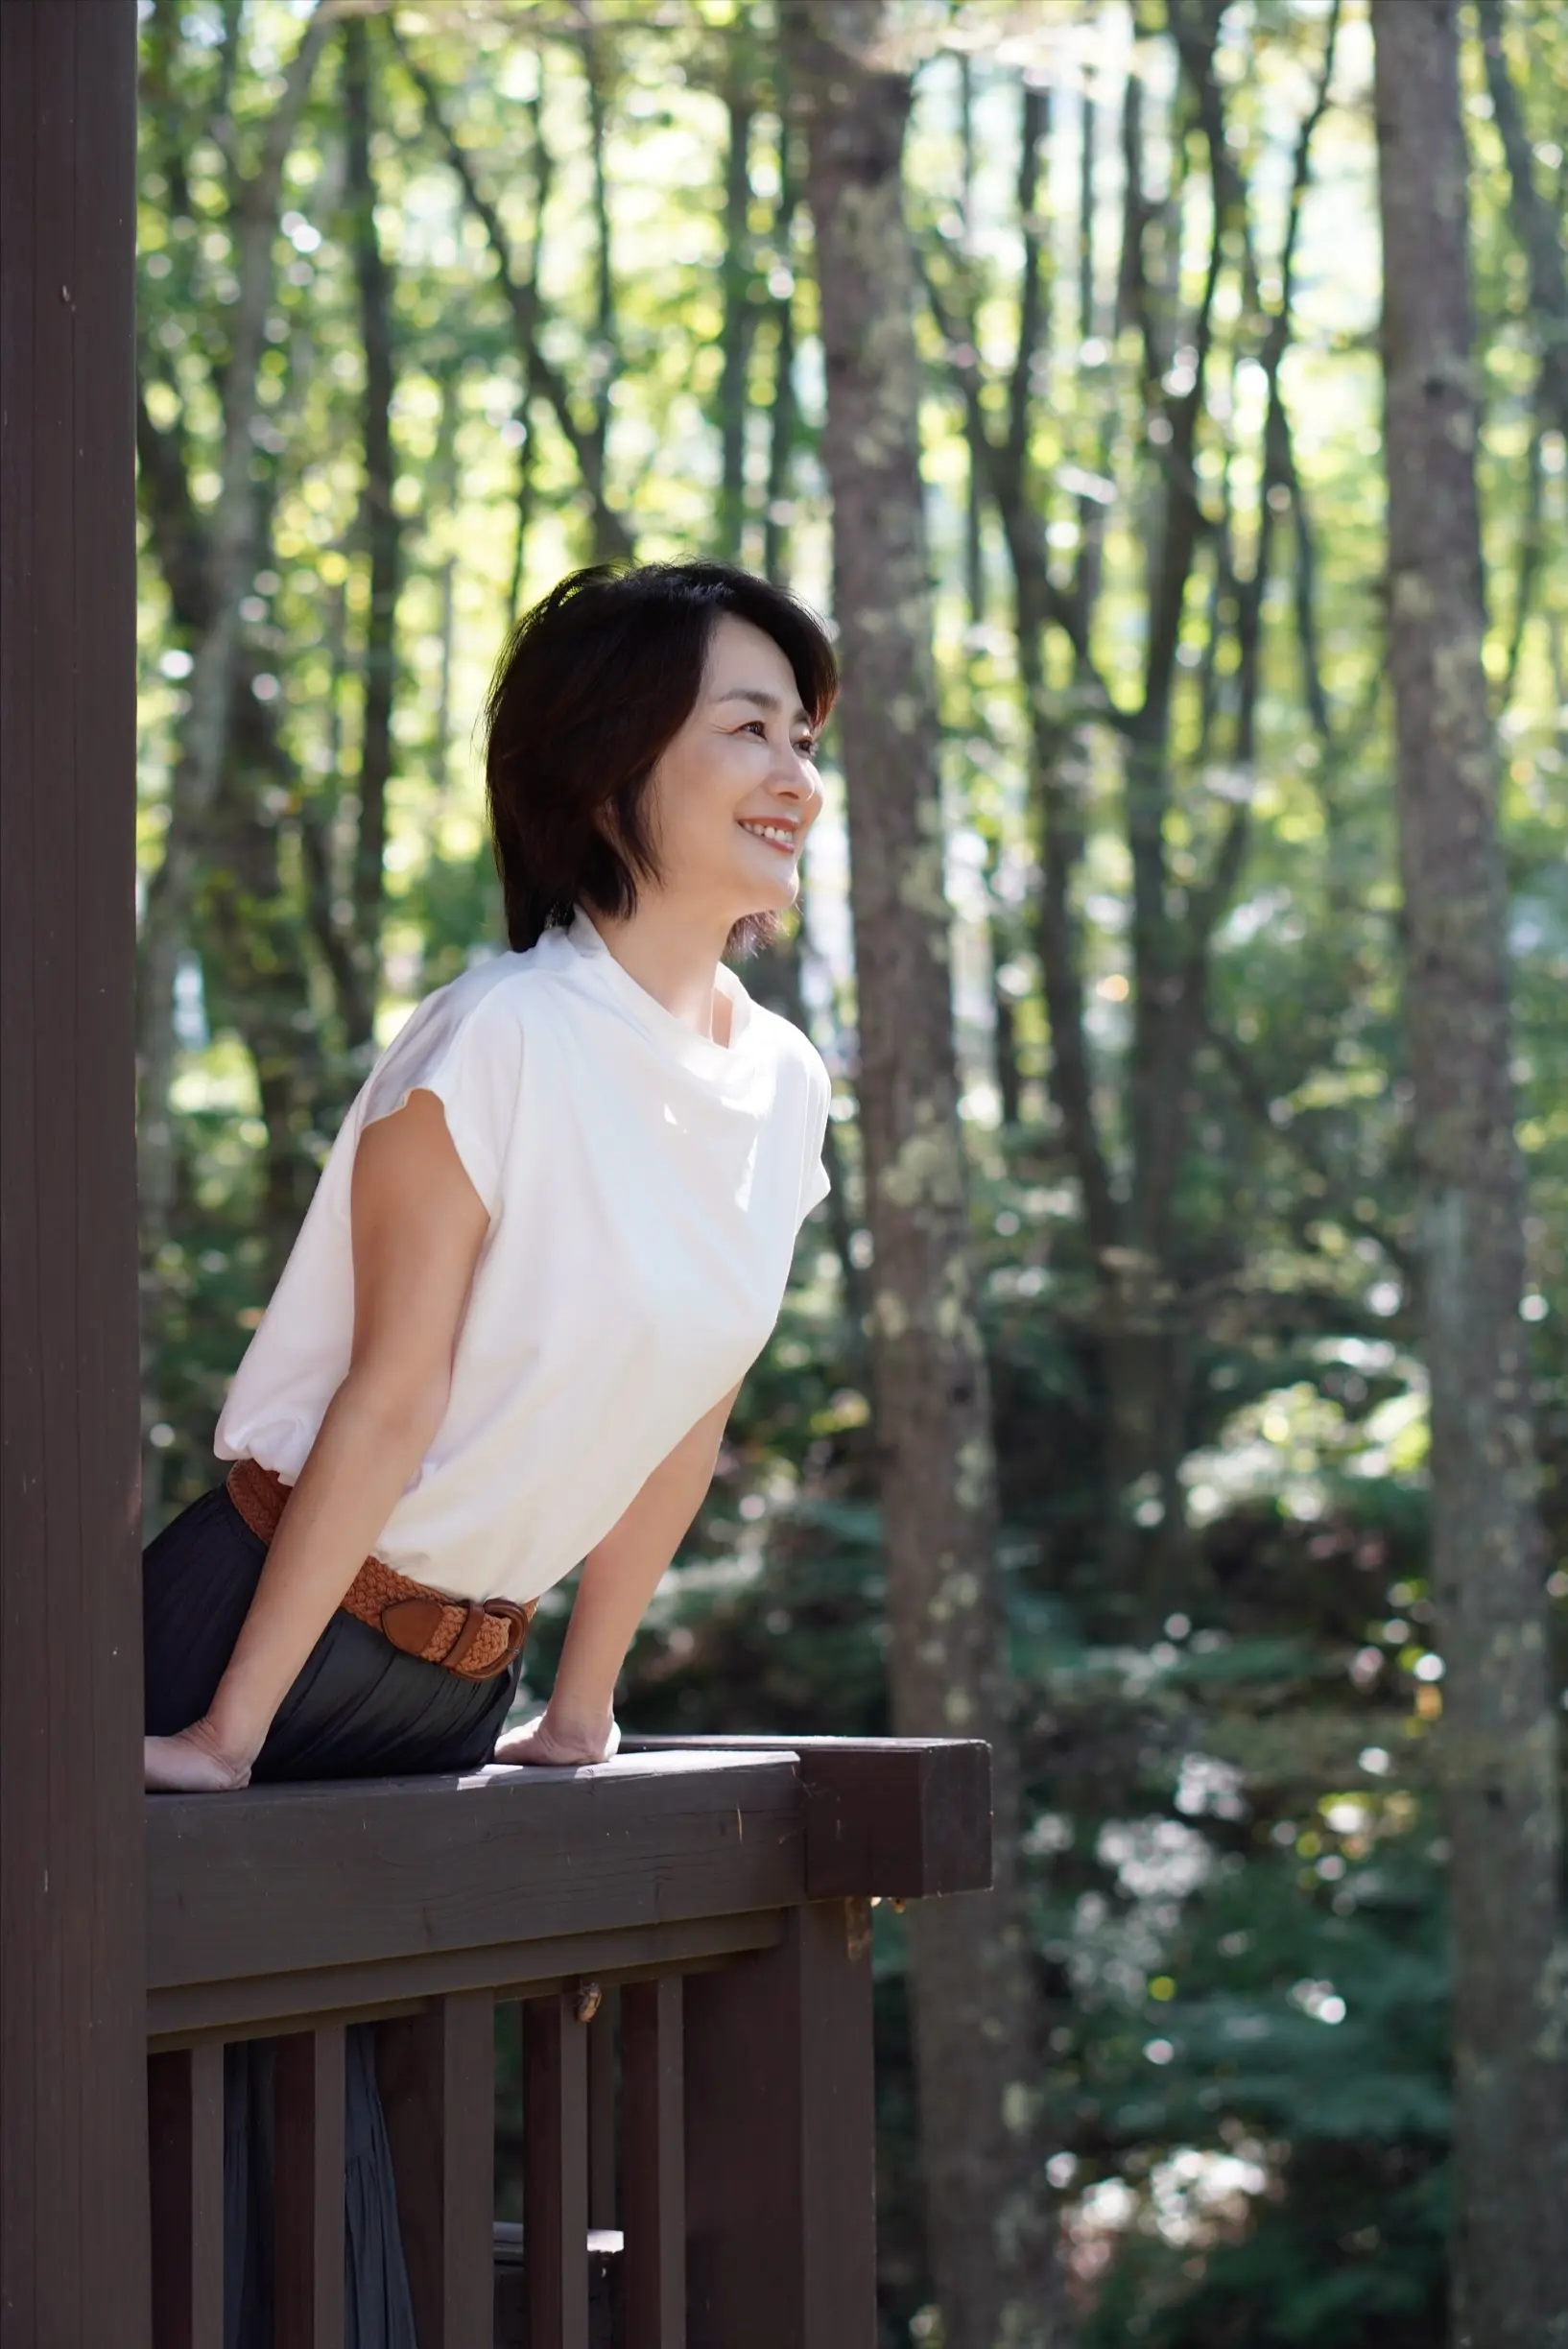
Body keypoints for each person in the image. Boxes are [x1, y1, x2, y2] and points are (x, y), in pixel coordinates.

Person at [141, 559, 838, 2345]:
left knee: (332, 2206)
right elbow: (386, 1403)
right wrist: (224, 1726)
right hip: (259, 1623)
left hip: (455, 1683)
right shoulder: (503, 1035)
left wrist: (584, 1702)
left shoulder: (779, 1086)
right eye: (744, 726)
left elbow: (687, 1418)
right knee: (181, 2193)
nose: (795, 771)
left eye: (804, 733)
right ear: (611, 774)